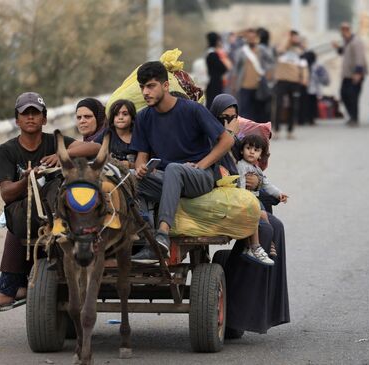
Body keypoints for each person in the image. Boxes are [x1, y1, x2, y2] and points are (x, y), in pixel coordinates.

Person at [0, 92, 100, 312]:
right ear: (17, 120)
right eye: (25, 113)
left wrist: (62, 155)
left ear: (44, 119)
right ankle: (8, 287)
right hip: (25, 214)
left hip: (59, 213)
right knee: (22, 211)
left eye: (35, 113)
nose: (30, 117)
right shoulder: (7, 150)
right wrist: (26, 180)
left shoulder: (54, 142)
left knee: (60, 186)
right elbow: (7, 194)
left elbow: (95, 148)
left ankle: (16, 285)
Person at [129, 61, 234, 263]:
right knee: (130, 180)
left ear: (166, 86)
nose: (145, 92)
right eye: (142, 87)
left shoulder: (192, 110)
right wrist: (140, 167)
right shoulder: (143, 117)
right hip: (166, 180)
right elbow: (141, 154)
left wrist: (202, 165)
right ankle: (146, 240)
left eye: (151, 86)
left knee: (174, 169)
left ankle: (162, 235)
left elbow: (227, 140)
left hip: (199, 177)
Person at [208, 94, 290, 336]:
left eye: (232, 118)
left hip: (242, 200)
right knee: (264, 229)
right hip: (218, 201)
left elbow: (252, 181)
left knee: (277, 227)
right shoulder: (208, 138)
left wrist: (264, 192)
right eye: (222, 118)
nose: (227, 122)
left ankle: (266, 312)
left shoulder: (236, 144)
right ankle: (235, 316)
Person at [231, 29, 275, 123]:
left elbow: (271, 61)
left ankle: (260, 132)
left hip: (259, 85)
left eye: (253, 37)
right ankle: (246, 133)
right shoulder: (241, 51)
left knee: (260, 110)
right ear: (246, 39)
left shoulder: (262, 50)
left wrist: (268, 74)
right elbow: (235, 69)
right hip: (244, 86)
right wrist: (234, 84)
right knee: (245, 111)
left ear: (257, 38)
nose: (251, 40)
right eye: (249, 38)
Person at [271, 30, 308, 139]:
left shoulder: (299, 50)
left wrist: (305, 78)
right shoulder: (281, 47)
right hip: (281, 80)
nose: (295, 39)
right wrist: (287, 40)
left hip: (294, 81)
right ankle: (276, 130)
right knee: (278, 105)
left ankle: (290, 131)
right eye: (293, 37)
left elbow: (304, 65)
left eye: (296, 37)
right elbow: (280, 51)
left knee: (294, 106)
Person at [333, 22, 368, 126]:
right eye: (342, 30)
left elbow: (359, 58)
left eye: (345, 30)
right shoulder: (346, 41)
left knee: (353, 96)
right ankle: (352, 116)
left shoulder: (356, 42)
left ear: (348, 30)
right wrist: (337, 48)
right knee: (344, 94)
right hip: (347, 74)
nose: (343, 32)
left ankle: (355, 118)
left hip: (356, 74)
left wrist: (358, 73)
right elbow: (343, 52)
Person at [96, 99, 137, 169]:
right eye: (116, 114)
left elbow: (145, 162)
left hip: (133, 176)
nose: (120, 117)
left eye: (125, 114)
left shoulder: (138, 135)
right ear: (112, 118)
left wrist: (130, 165)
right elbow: (92, 145)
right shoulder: (108, 133)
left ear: (132, 117)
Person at [301, 51, 330, 125]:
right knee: (312, 105)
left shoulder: (303, 65)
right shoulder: (318, 66)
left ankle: (304, 119)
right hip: (313, 90)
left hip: (305, 89)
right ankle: (311, 120)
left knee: (305, 104)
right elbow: (324, 78)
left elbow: (324, 78)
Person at [205, 32, 232, 109]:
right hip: (215, 82)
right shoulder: (213, 54)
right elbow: (224, 68)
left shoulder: (208, 53)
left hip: (211, 81)